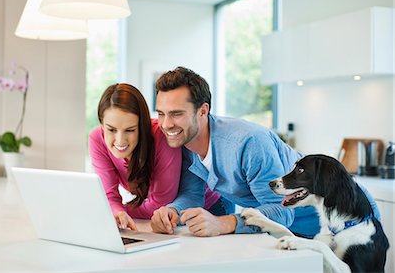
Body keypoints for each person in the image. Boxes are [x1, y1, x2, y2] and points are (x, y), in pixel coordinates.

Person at [150, 67, 320, 237]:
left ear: (203, 111)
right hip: (278, 232)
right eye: (161, 114)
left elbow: (282, 210)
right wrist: (172, 211)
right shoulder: (187, 142)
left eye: (176, 114)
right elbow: (192, 193)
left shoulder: (249, 143)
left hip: (320, 222)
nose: (165, 124)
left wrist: (223, 223)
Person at [89, 83, 232, 231]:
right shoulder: (97, 139)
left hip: (209, 208)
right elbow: (109, 195)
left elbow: (160, 203)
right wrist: (117, 212)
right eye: (111, 129)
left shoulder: (161, 137)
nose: (120, 140)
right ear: (101, 123)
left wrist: (118, 210)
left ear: (142, 125)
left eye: (130, 130)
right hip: (167, 215)